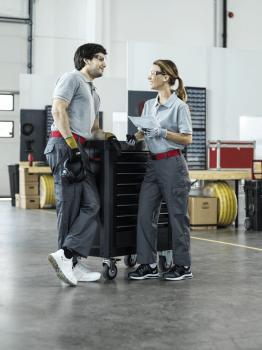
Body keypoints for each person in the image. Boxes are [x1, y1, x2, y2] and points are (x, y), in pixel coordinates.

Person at [45, 43, 114, 286]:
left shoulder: (94, 93)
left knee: (92, 204)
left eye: (105, 59)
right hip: (65, 146)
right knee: (70, 207)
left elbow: (93, 130)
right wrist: (73, 146)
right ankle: (68, 262)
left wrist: (111, 136)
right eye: (99, 58)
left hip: (78, 148)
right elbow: (58, 110)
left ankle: (68, 257)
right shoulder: (71, 78)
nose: (104, 63)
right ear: (85, 60)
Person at [127, 59, 193, 281]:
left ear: (166, 77)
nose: (149, 77)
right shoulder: (148, 105)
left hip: (173, 164)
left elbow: (187, 138)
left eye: (153, 73)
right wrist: (133, 137)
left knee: (177, 217)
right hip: (152, 165)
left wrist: (163, 132)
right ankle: (148, 263)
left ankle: (183, 266)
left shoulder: (179, 106)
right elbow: (144, 133)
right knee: (145, 213)